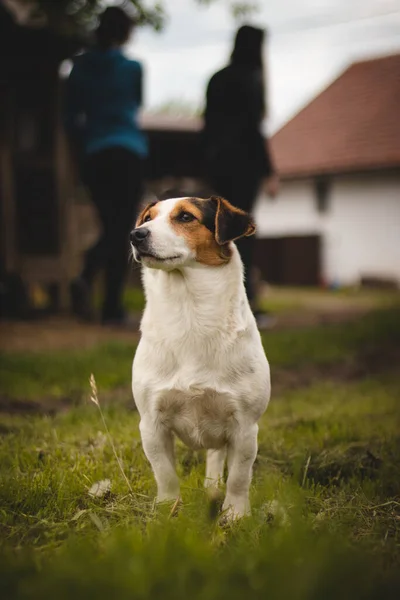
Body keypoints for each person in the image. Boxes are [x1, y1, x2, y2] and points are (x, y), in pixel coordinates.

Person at [65, 6, 147, 326]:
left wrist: (79, 156)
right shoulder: (132, 68)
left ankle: (91, 280)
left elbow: (71, 118)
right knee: (124, 229)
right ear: (125, 32)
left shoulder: (80, 67)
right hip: (127, 151)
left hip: (94, 154)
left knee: (111, 226)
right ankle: (109, 304)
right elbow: (135, 105)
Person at [203, 25, 279, 327]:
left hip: (219, 165)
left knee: (221, 232)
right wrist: (269, 171)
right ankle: (245, 303)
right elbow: (253, 131)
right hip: (244, 165)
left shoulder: (217, 79)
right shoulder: (251, 79)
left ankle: (220, 302)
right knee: (243, 231)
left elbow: (206, 126)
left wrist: (207, 165)